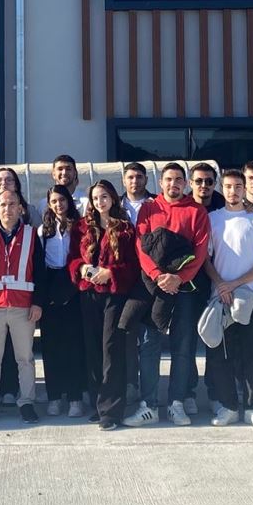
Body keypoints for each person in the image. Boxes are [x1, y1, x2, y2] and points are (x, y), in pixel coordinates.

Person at [133, 162, 212, 427]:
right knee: (149, 345)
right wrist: (158, 276)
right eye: (168, 179)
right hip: (155, 288)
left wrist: (180, 277)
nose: (173, 184)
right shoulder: (149, 208)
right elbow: (140, 246)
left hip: (185, 288)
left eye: (179, 179)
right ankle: (149, 404)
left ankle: (176, 403)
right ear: (161, 182)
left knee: (183, 345)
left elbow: (201, 251)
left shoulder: (197, 211)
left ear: (186, 183)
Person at [205, 169, 253, 428]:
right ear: (223, 188)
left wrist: (235, 283)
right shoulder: (213, 219)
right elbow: (206, 261)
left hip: (251, 300)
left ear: (246, 189)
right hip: (220, 300)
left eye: (238, 186)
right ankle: (229, 407)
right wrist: (221, 285)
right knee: (221, 357)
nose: (234, 191)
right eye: (229, 186)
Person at [0, 189, 44, 424]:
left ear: (20, 208)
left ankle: (27, 402)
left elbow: (41, 272)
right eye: (3, 204)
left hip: (23, 306)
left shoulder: (32, 235)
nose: (8, 208)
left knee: (25, 358)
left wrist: (38, 303)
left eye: (13, 204)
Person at [75, 180, 140, 430]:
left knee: (111, 349)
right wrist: (81, 268)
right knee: (92, 350)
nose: (99, 202)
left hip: (114, 295)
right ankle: (97, 404)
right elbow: (72, 258)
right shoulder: (83, 227)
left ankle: (111, 411)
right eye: (95, 198)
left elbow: (133, 265)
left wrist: (111, 273)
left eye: (104, 197)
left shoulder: (125, 228)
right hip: (88, 295)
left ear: (112, 198)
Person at [168, 162, 218, 416]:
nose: (204, 186)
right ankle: (188, 389)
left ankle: (215, 390)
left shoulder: (224, 206)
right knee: (186, 338)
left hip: (219, 282)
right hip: (188, 283)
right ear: (190, 183)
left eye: (209, 181)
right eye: (199, 181)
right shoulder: (183, 207)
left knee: (215, 340)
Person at [37, 186, 88, 417]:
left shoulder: (80, 227)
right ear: (49, 204)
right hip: (50, 283)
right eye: (54, 201)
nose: (59, 205)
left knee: (74, 344)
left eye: (62, 200)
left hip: (73, 282)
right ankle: (55, 396)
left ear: (69, 201)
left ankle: (75, 396)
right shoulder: (43, 230)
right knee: (51, 345)